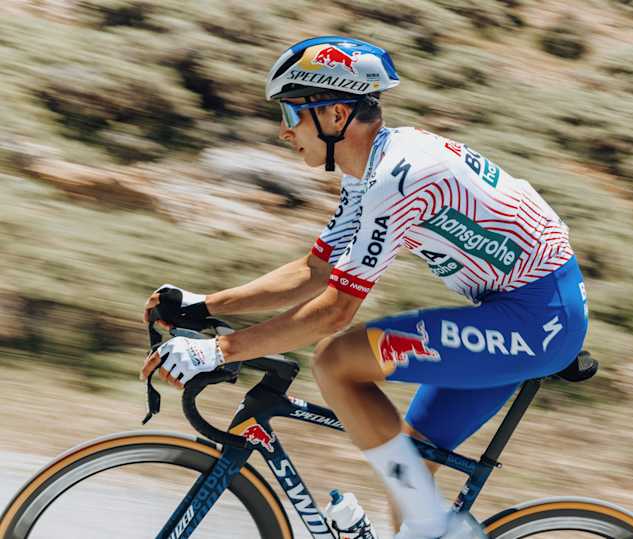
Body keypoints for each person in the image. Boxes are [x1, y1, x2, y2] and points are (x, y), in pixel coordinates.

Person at [141, 36, 589, 539]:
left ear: (336, 115)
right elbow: (314, 271)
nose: (284, 131)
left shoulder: (397, 178)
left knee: (337, 360)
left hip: (536, 318)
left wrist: (220, 350)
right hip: (517, 312)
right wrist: (204, 305)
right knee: (410, 474)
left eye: (291, 113)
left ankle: (439, 529)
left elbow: (335, 311)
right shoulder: (369, 172)